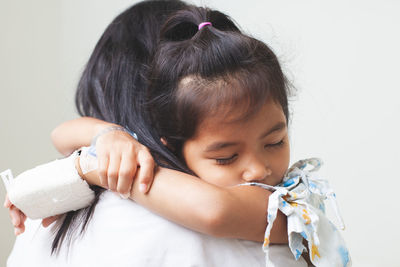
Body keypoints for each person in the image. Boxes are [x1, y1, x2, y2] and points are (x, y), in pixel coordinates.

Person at [5, 1, 350, 266]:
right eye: (226, 156)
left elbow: (214, 210)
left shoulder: (287, 204)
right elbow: (62, 133)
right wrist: (108, 136)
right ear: (171, 134)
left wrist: (89, 169)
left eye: (275, 141)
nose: (259, 170)